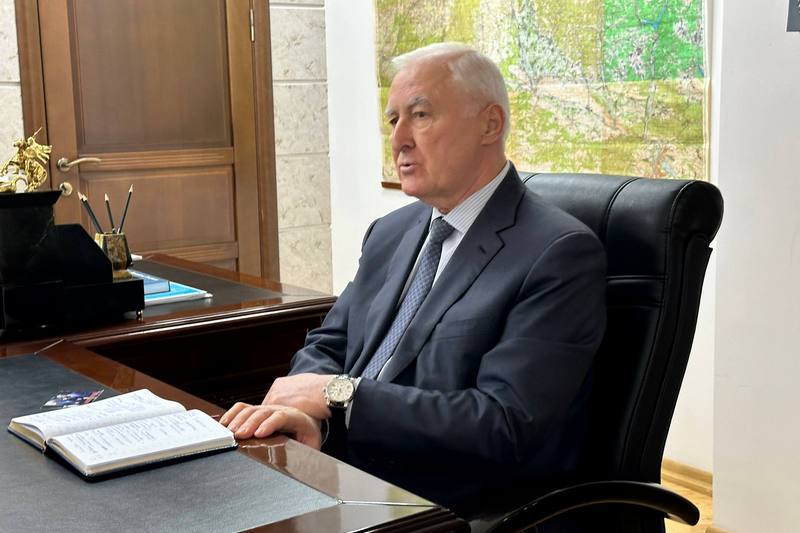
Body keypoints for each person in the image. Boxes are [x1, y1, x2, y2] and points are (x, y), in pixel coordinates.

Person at [220, 42, 607, 515]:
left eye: (420, 115)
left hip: (438, 503)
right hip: (339, 469)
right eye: (393, 120)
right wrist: (309, 417)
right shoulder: (391, 231)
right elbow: (331, 342)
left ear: (490, 124)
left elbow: (503, 424)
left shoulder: (557, 252)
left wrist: (338, 397)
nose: (399, 139)